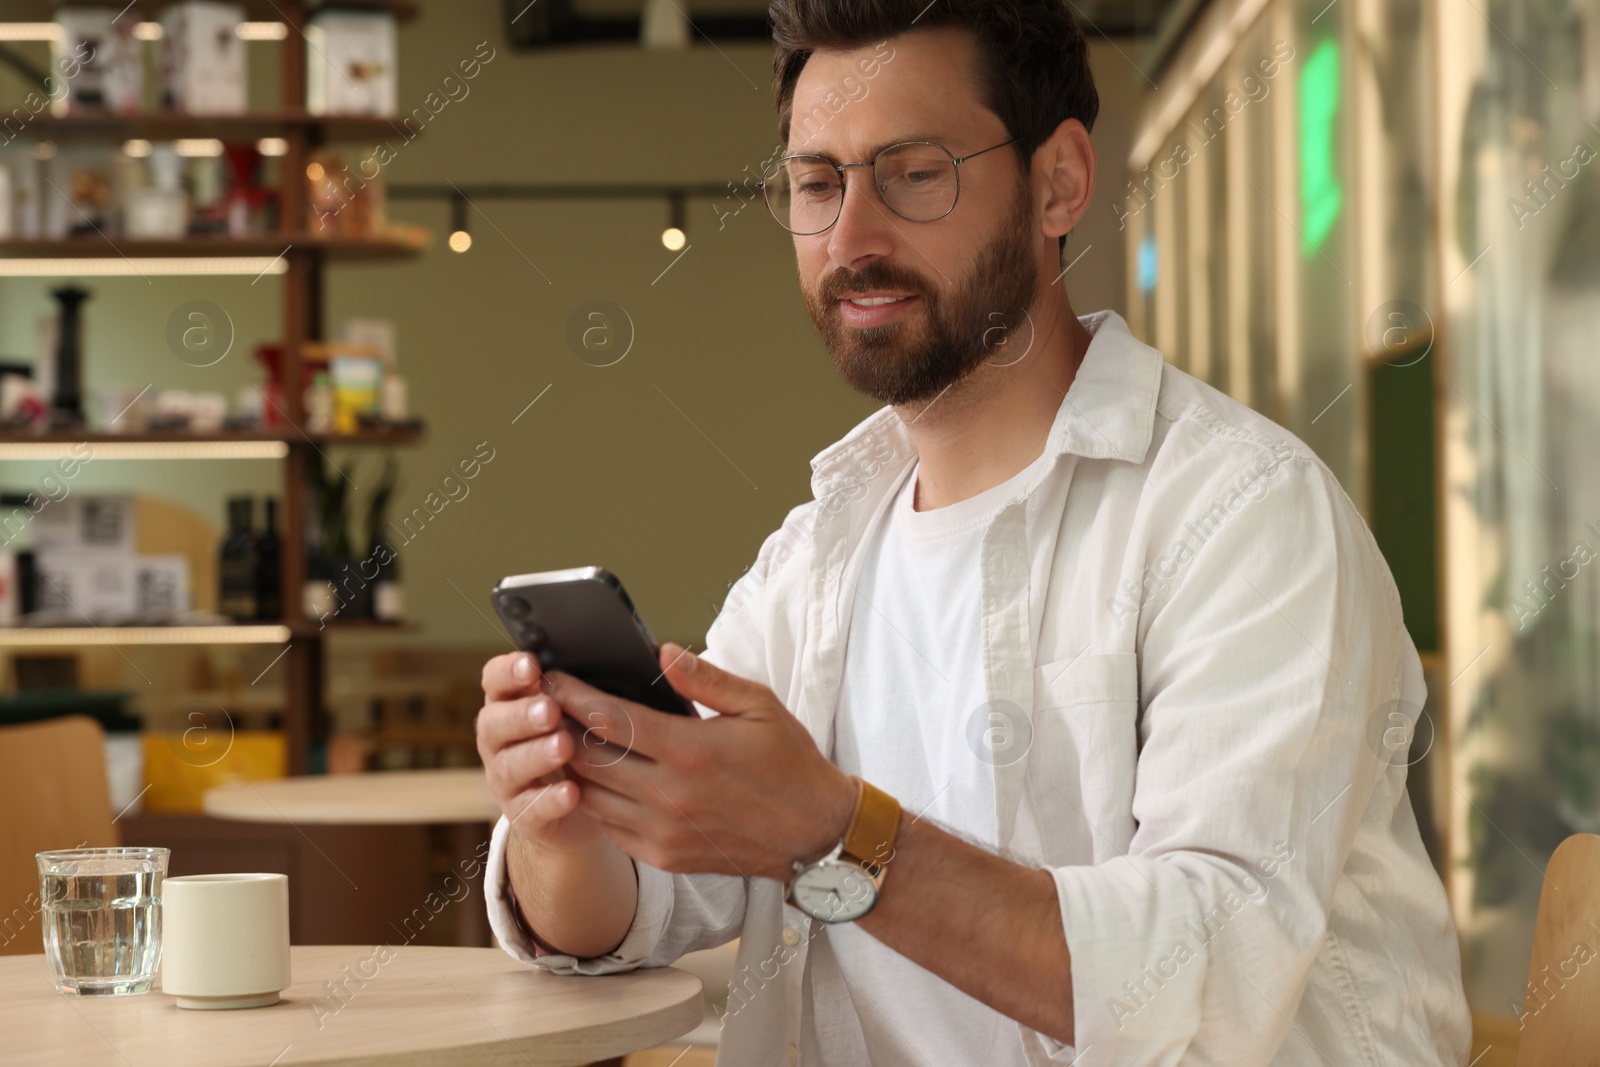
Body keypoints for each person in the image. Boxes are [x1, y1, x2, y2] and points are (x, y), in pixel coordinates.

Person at [475, 1, 1472, 1063]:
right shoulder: (815, 559)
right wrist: (564, 820)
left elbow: (1208, 973)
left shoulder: (1245, 514)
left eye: (912, 173)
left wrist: (829, 830)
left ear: (1059, 181)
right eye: (818, 184)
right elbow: (623, 912)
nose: (851, 238)